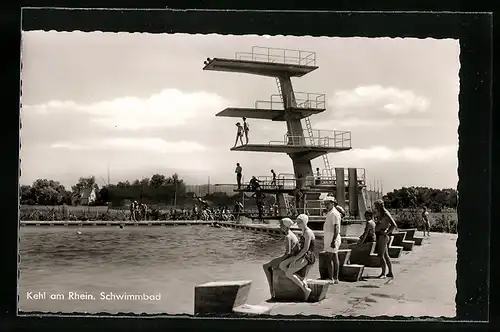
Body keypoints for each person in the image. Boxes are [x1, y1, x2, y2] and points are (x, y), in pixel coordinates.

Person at [279, 214, 316, 301]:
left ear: (304, 222)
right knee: (282, 265)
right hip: (301, 254)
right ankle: (301, 280)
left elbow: (306, 249)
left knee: (288, 273)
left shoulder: (308, 232)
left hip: (308, 256)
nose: (297, 224)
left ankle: (305, 290)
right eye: (297, 222)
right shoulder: (303, 231)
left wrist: (295, 259)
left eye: (299, 222)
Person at [262, 218, 300, 298]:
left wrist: (278, 260)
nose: (280, 226)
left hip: (289, 258)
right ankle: (272, 290)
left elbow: (287, 253)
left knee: (266, 266)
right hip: (292, 257)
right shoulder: (291, 234)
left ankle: (271, 290)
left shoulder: (288, 237)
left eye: (281, 224)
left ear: (286, 226)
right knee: (269, 265)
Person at [373, 199, 397, 279]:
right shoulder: (380, 213)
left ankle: (383, 273)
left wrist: (387, 232)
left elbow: (394, 224)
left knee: (381, 255)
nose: (375, 207)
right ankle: (390, 272)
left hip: (383, 236)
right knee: (386, 255)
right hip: (379, 235)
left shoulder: (386, 213)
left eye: (376, 205)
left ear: (380, 205)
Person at [322, 196, 342, 284]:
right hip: (329, 237)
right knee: (334, 257)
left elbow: (336, 227)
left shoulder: (334, 213)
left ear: (332, 203)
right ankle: (335, 278)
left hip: (332, 238)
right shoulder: (330, 212)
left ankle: (332, 278)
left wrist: (333, 240)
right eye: (325, 204)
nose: (326, 206)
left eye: (328, 204)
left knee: (330, 259)